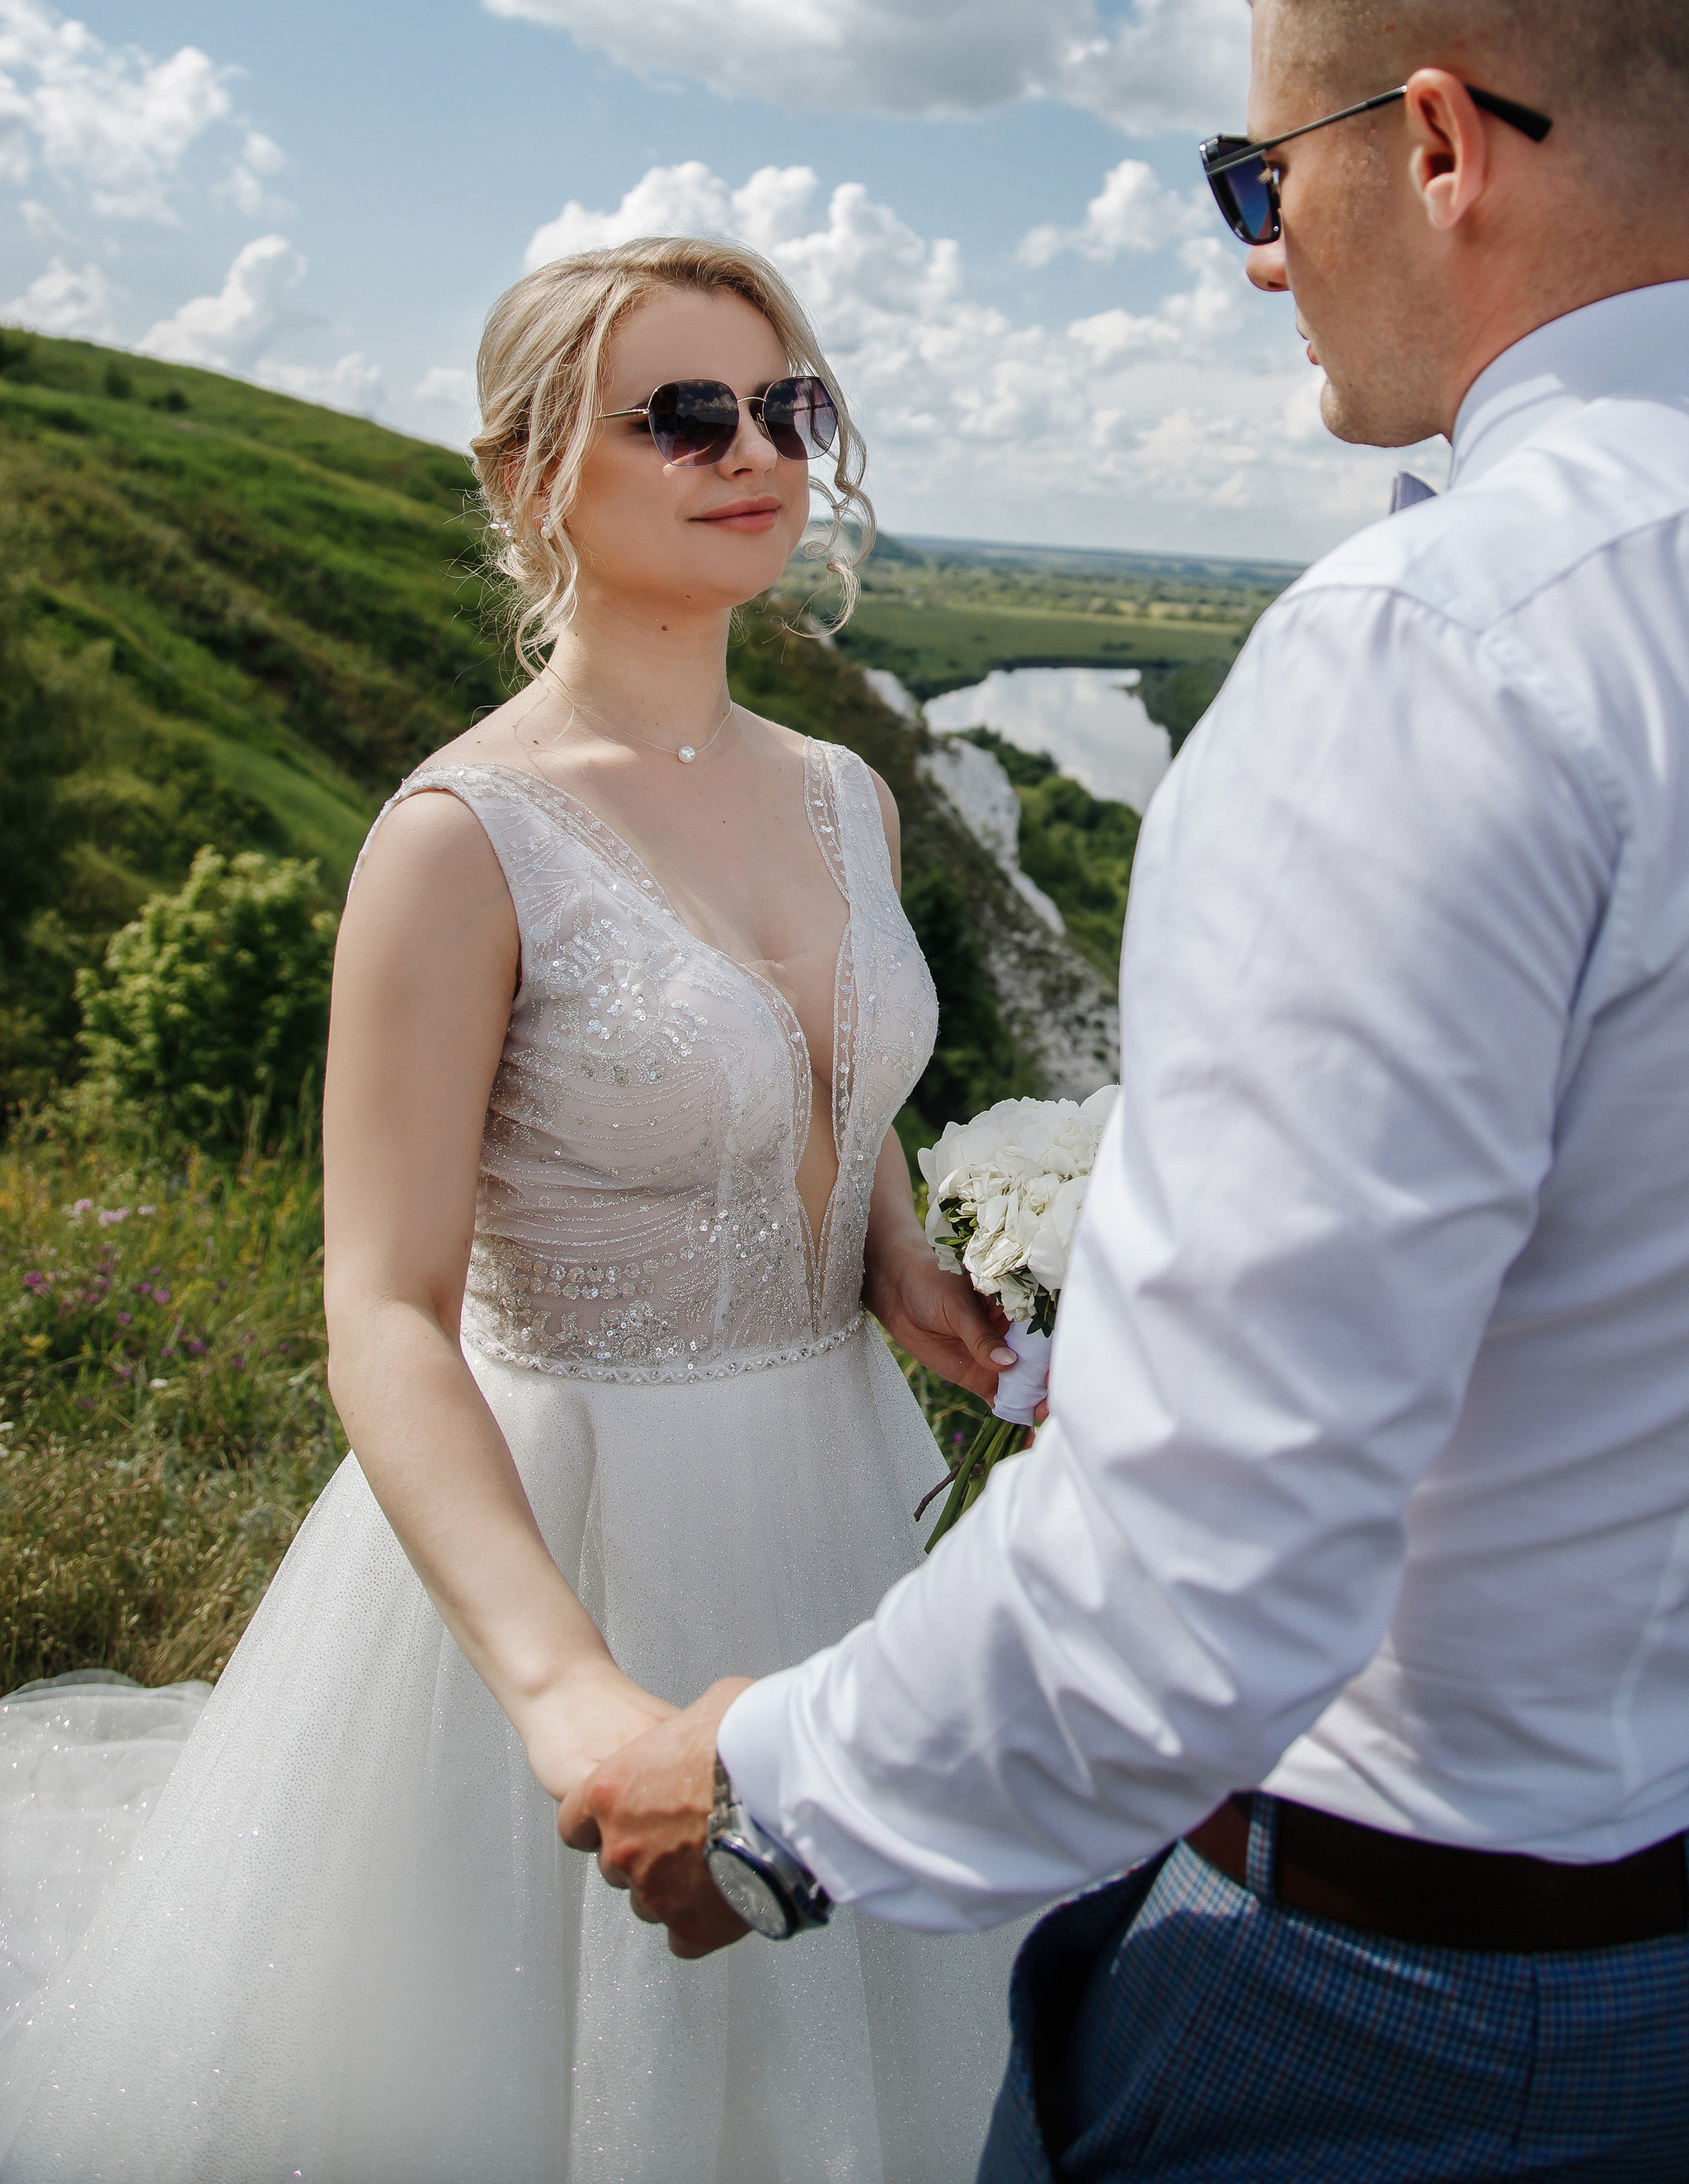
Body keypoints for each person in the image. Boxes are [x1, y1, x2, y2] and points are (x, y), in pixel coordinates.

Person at [562, 0, 1689, 2184]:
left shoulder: (1437, 646)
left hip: (1402, 2012)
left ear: (1444, 140)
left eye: (1262, 178)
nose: (1259, 256)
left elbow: (1191, 1598)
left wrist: (750, 1792)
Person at [0, 235, 1020, 2183]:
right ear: (525, 472)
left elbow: (828, 1069)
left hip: (845, 1492)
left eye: (787, 408)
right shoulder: (459, 841)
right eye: (684, 416)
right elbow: (382, 1307)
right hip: (580, 1535)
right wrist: (563, 1695)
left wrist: (888, 1243)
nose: (758, 455)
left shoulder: (841, 795)